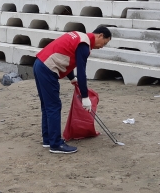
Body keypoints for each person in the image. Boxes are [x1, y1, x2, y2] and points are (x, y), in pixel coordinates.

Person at [33, 25, 112, 154]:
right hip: (48, 68)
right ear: (100, 35)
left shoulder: (78, 36)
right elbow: (82, 71)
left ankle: (48, 140)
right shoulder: (84, 45)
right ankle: (56, 144)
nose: (102, 46)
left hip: (40, 64)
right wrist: (85, 97)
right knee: (54, 106)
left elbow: (66, 54)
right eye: (104, 42)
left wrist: (71, 78)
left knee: (47, 106)